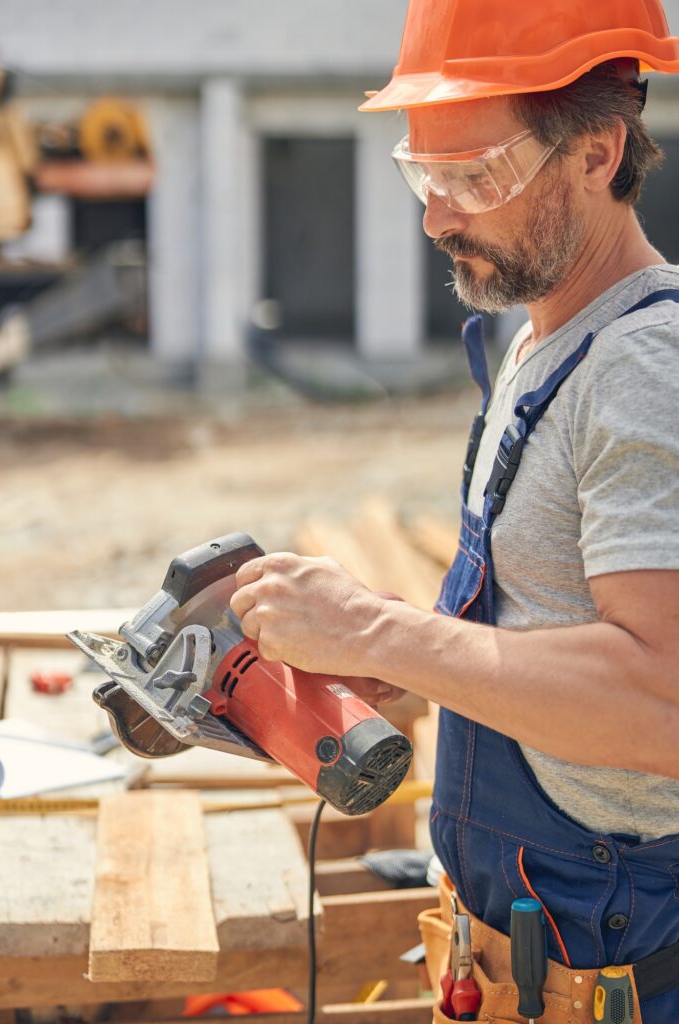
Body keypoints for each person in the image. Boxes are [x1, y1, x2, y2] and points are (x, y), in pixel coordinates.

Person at [231, 2, 679, 1019]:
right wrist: (411, 653)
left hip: (618, 965)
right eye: (423, 175)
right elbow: (549, 628)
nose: (437, 216)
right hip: (517, 958)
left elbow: (664, 696)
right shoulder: (541, 344)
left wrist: (382, 630)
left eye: (474, 177)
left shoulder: (645, 369)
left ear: (595, 154)